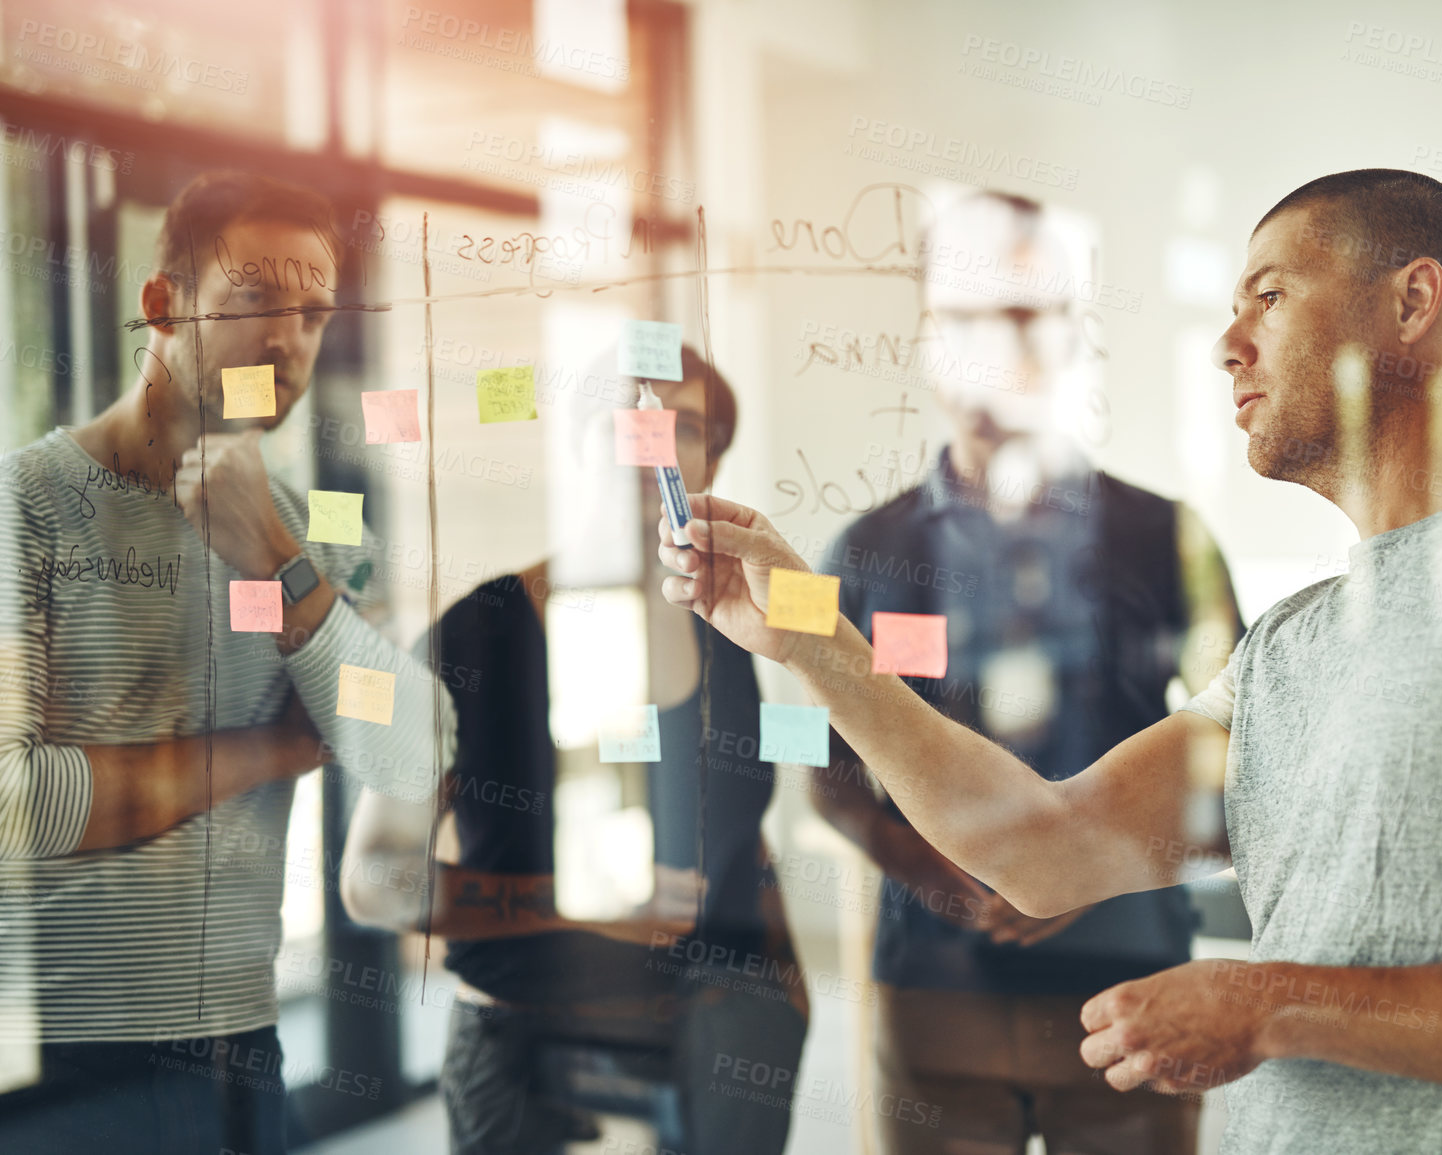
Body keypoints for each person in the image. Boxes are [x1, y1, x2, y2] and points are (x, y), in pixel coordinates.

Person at [655, 169, 1442, 1153]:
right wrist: (812, 644)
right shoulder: (1295, 643)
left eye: (1268, 297)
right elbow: (1044, 847)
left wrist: (1266, 1003)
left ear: (1413, 302)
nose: (1227, 342)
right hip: (945, 996)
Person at [0, 171, 451, 1154]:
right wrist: (268, 753)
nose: (288, 340)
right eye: (254, 301)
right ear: (162, 305)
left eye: (314, 314)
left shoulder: (321, 528)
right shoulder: (23, 504)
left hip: (243, 1044)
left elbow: (410, 752)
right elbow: (16, 801)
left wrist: (279, 563)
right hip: (62, 1059)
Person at [814, 190, 1241, 1155]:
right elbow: (825, 773)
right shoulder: (865, 550)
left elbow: (1235, 764)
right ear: (929, 331)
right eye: (966, 312)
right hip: (939, 994)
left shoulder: (1168, 538)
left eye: (1026, 310)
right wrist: (952, 883)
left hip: (1131, 990)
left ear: (1070, 329)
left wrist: (1082, 872)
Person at [341, 347, 808, 1155]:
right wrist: (577, 906)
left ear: (712, 459)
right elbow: (371, 881)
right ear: (579, 443)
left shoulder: (726, 625)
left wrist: (784, 1001)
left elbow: (740, 833)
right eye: (623, 419)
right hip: (535, 1054)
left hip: (720, 1043)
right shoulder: (477, 634)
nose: (649, 443)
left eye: (682, 426)